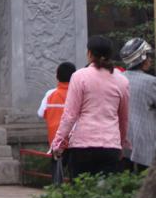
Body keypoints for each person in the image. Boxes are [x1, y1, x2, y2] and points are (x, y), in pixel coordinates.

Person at [51, 36, 129, 178]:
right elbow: (123, 118)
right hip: (110, 146)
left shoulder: (79, 76)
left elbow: (70, 115)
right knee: (105, 194)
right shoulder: (122, 81)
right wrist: (121, 143)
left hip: (82, 146)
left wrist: (58, 143)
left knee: (81, 192)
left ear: (90, 54)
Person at [119, 38, 156, 171]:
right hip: (146, 140)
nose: (150, 60)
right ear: (142, 58)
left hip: (121, 140)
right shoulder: (151, 82)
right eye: (148, 56)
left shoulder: (118, 79)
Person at [37, 61, 76, 182]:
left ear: (57, 76)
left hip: (56, 141)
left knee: (57, 173)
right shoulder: (77, 93)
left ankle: (56, 194)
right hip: (75, 140)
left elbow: (40, 113)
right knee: (74, 172)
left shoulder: (50, 94)